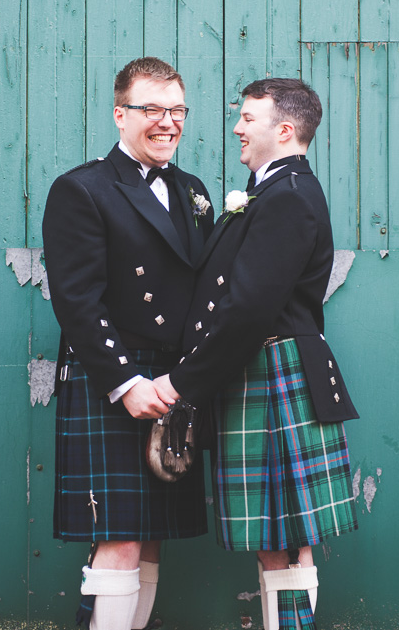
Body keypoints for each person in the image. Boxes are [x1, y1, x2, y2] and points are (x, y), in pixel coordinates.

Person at [155, 78, 359, 630]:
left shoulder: (288, 197)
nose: (238, 128)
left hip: (273, 371)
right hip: (258, 371)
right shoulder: (271, 191)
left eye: (249, 118)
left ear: (285, 129)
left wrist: (183, 382)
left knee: (288, 539)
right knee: (275, 537)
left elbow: (248, 308)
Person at [42, 57, 215, 630]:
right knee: (117, 540)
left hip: (171, 381)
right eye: (152, 110)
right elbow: (76, 300)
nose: (168, 123)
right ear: (121, 115)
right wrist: (124, 383)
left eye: (177, 110)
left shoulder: (192, 190)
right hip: (115, 379)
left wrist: (186, 378)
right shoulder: (82, 189)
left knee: (150, 539)